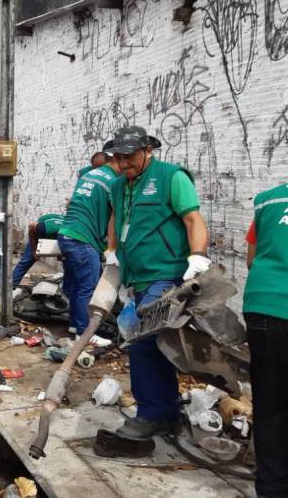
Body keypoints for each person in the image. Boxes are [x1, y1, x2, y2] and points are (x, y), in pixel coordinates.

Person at [105, 126, 210, 440]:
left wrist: (198, 255)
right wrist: (111, 251)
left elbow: (193, 219)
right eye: (118, 158)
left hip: (165, 273)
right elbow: (116, 219)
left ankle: (150, 413)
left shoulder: (171, 177)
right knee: (158, 345)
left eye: (129, 157)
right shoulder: (118, 186)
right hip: (136, 276)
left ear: (147, 149)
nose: (123, 164)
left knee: (141, 340)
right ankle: (167, 411)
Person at [243, 184, 288, 497]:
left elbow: (251, 258)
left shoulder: (268, 199)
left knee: (270, 403)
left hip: (262, 305)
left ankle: (271, 489)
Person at [56, 146, 121, 347]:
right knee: (87, 288)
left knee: (78, 286)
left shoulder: (89, 175)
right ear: (116, 159)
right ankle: (85, 334)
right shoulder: (114, 182)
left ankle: (76, 327)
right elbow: (116, 217)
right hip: (82, 240)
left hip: (66, 234)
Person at [12, 213, 63, 289]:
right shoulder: (44, 228)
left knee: (67, 260)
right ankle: (12, 284)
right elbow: (31, 226)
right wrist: (34, 250)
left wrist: (61, 255)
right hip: (42, 230)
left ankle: (66, 289)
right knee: (27, 260)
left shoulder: (71, 234)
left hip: (58, 232)